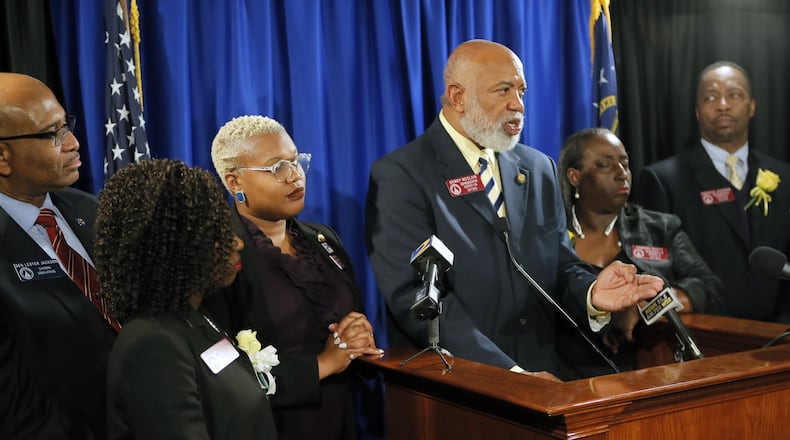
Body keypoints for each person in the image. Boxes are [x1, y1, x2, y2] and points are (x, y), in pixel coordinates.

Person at [365, 39, 663, 380]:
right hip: (460, 388)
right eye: (503, 91)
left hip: (545, 381)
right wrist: (510, 374)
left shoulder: (538, 167)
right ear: (458, 96)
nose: (517, 105)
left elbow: (560, 264)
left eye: (521, 90)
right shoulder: (402, 174)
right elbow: (416, 298)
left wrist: (593, 293)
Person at [204, 115, 383, 439]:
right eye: (276, 168)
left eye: (296, 161)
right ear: (234, 182)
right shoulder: (220, 257)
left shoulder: (322, 239)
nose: (295, 176)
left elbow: (348, 314)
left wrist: (358, 334)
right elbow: (217, 369)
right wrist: (323, 365)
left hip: (342, 418)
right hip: (272, 427)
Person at [97, 159, 277, 439]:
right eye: (216, 234)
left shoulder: (196, 318)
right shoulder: (151, 344)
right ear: (174, 250)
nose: (237, 243)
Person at [0, 72, 117, 439]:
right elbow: (16, 412)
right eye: (53, 134)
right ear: (2, 156)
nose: (73, 143)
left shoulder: (94, 210)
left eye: (67, 126)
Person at [557, 127, 724, 378]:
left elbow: (708, 286)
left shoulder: (659, 228)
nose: (622, 174)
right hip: (566, 376)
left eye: (625, 164)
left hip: (644, 373)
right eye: (605, 165)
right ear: (574, 176)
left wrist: (647, 307)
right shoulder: (550, 233)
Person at [632, 61, 790, 323]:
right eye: (711, 97)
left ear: (752, 106)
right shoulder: (663, 179)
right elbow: (655, 270)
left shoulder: (785, 176)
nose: (723, 105)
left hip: (780, 336)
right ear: (696, 110)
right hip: (705, 335)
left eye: (734, 94)